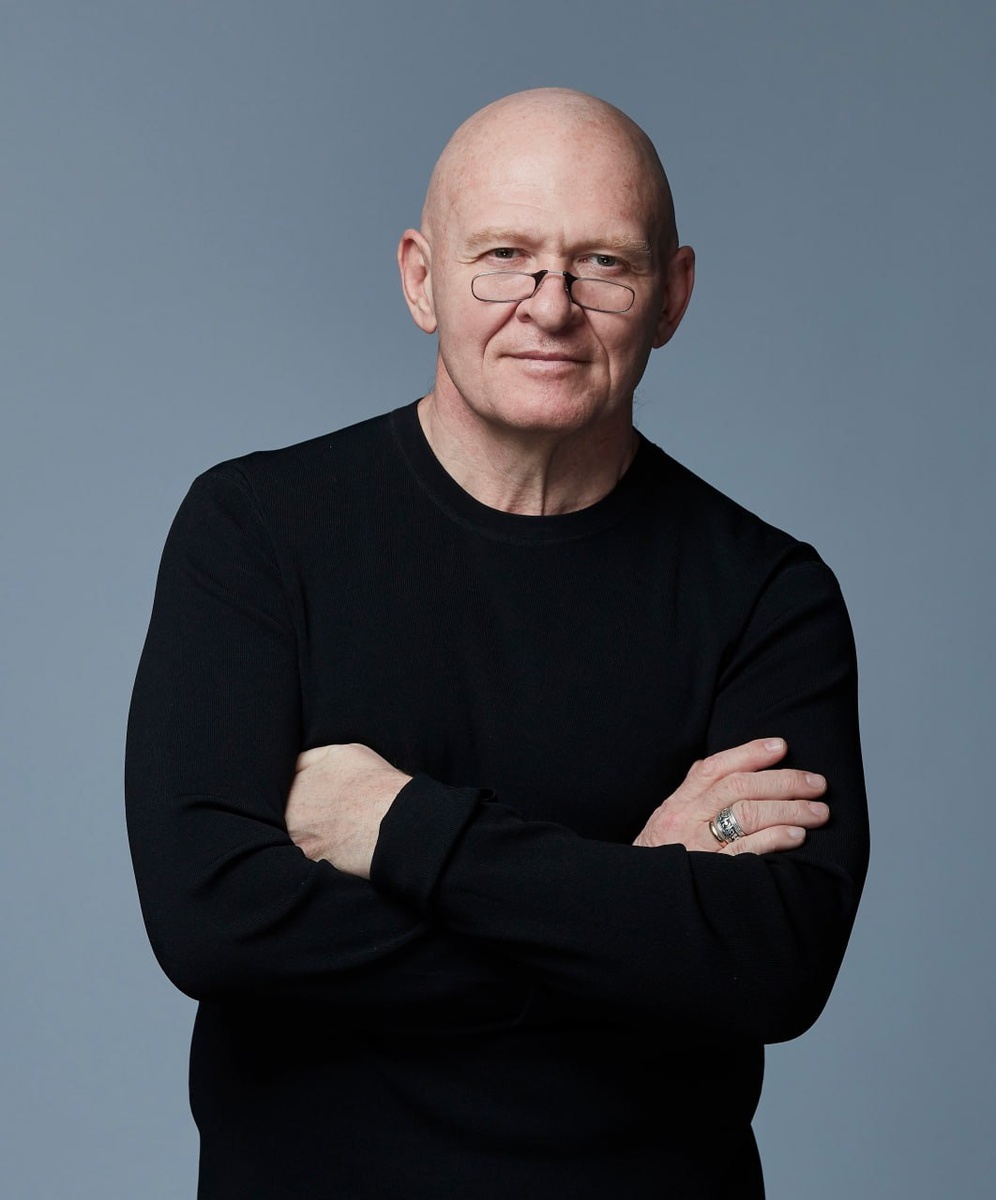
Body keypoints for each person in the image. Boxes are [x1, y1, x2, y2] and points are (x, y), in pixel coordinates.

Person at [126, 88, 869, 1199]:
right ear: (421, 278)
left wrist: (400, 827)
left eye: (603, 264)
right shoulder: (255, 531)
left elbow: (774, 967)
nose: (549, 307)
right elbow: (212, 923)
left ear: (673, 295)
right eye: (504, 258)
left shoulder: (769, 593)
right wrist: (631, 903)